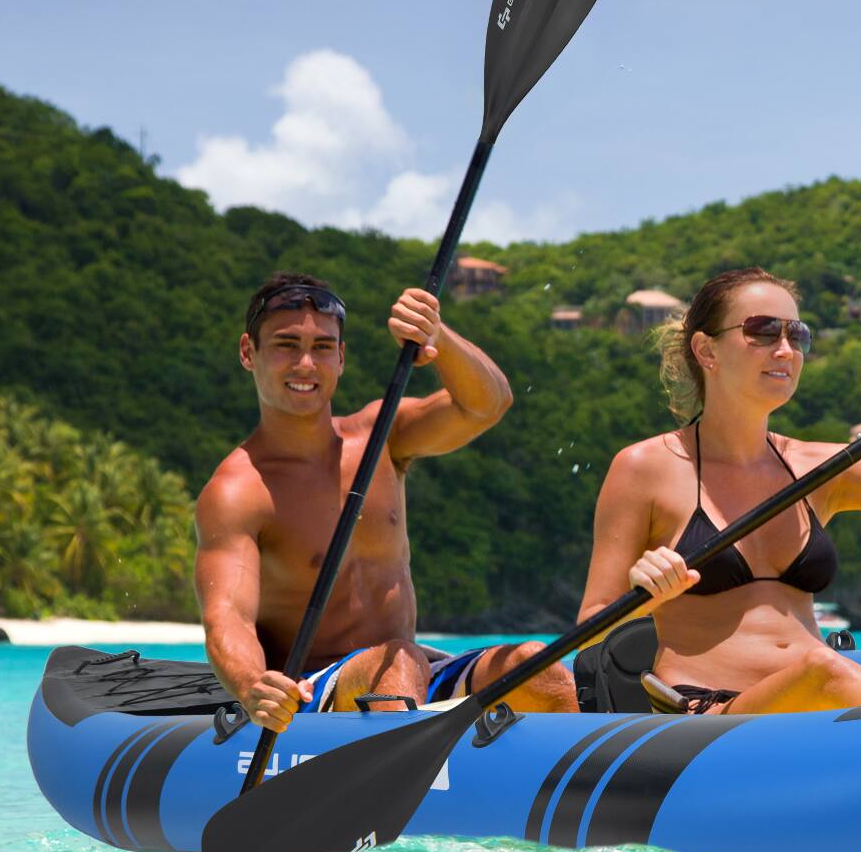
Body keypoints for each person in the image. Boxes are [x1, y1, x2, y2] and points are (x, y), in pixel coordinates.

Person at [578, 267, 861, 714]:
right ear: (707, 349)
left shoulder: (820, 469)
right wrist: (645, 595)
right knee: (824, 670)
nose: (784, 350)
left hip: (817, 701)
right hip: (712, 715)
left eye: (796, 335)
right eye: (762, 332)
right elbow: (591, 626)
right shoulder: (645, 468)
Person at [196, 272, 577, 733]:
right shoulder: (239, 489)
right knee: (395, 668)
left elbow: (488, 404)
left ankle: (568, 798)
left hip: (412, 675)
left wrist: (437, 336)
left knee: (540, 668)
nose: (305, 363)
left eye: (321, 347)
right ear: (247, 352)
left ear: (341, 358)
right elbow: (227, 617)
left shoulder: (379, 437)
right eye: (286, 344)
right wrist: (255, 685)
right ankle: (403, 793)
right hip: (313, 695)